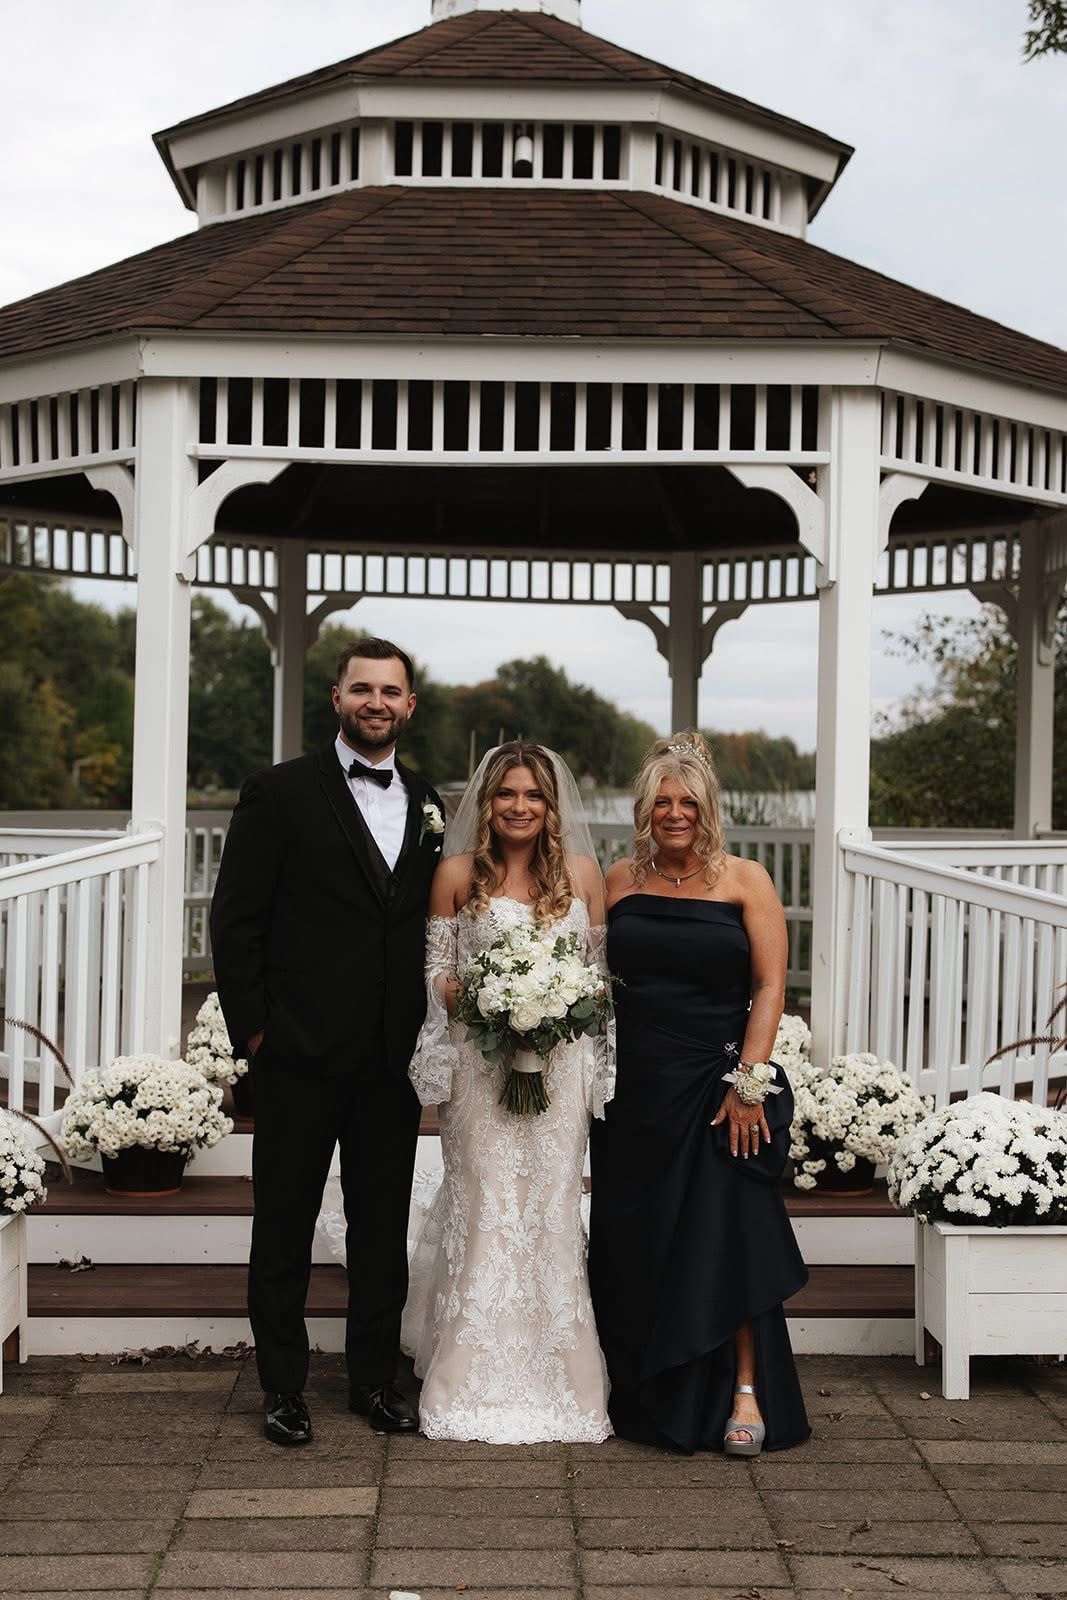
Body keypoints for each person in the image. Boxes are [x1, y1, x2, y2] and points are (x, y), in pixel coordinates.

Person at [209, 638, 445, 1447]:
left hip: (389, 1057)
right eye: (361, 689)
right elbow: (235, 921)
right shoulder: (277, 794)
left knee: (382, 1228)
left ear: (410, 706)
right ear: (336, 699)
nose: (376, 702)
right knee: (283, 1224)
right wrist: (256, 1036)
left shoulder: (427, 800)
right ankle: (282, 1387)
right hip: (297, 1053)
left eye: (391, 691)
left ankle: (374, 1381)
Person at [588, 731, 809, 1457]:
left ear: (707, 808)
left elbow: (770, 985)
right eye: (661, 802)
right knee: (641, 1240)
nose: (673, 813)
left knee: (726, 1234)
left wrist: (748, 1082)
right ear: (643, 809)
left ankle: (745, 1389)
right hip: (634, 1093)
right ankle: (649, 1389)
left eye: (686, 801)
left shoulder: (745, 880)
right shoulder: (618, 880)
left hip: (718, 1088)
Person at [403, 741, 613, 1443]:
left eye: (533, 796)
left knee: (550, 1206)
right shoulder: (456, 874)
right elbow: (435, 970)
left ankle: (563, 1375)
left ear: (551, 807)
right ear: (485, 802)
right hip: (477, 1066)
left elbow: (597, 976)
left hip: (559, 1066)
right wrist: (481, 997)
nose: (519, 807)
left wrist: (556, 1007)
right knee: (487, 1201)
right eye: (506, 794)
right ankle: (466, 1369)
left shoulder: (582, 874)